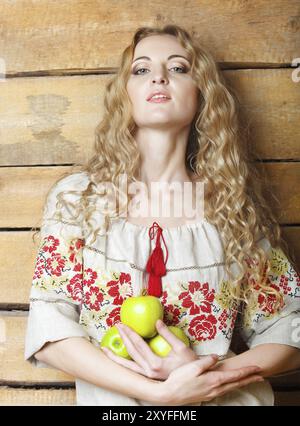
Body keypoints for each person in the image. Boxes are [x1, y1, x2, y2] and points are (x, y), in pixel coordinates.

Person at [24, 24, 300, 406]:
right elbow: (49, 329)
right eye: (141, 69)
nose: (159, 76)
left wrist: (206, 375)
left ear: (202, 94)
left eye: (178, 68)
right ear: (125, 94)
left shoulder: (232, 207)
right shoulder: (78, 199)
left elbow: (288, 329)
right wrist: (159, 392)